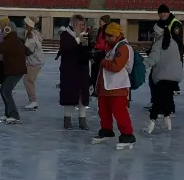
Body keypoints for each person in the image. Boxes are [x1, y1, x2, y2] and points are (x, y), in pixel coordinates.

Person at [92, 21, 137, 149]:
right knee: (104, 110)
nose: (106, 39)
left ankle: (127, 135)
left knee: (119, 112)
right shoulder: (113, 46)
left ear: (116, 35)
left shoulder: (123, 47)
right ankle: (106, 130)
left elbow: (116, 66)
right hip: (106, 86)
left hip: (118, 86)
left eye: (109, 36)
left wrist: (103, 62)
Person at [143, 20, 184, 133]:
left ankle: (150, 126)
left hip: (163, 77)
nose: (153, 35)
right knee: (167, 100)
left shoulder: (159, 43)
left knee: (157, 102)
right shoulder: (173, 42)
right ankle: (168, 125)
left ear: (158, 33)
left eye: (154, 33)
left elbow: (153, 59)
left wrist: (141, 67)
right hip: (174, 77)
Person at [0, 21, 27, 123]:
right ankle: (8, 113)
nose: (3, 31)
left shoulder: (11, 40)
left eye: (5, 29)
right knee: (4, 90)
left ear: (9, 30)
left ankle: (14, 115)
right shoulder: (12, 39)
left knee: (6, 91)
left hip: (16, 71)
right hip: (14, 70)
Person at [58, 14, 91, 130]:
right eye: (80, 25)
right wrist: (78, 43)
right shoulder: (65, 35)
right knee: (69, 96)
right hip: (69, 70)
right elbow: (66, 51)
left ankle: (82, 120)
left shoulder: (85, 36)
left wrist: (87, 47)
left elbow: (86, 51)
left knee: (83, 96)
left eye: (84, 25)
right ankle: (67, 120)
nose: (83, 27)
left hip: (82, 70)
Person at [23, 17, 45, 110]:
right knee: (28, 80)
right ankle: (32, 100)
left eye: (25, 24)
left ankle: (33, 101)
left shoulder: (31, 36)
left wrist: (20, 46)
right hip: (37, 61)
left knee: (28, 80)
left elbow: (28, 51)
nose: (23, 25)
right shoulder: (33, 34)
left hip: (35, 62)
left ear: (28, 25)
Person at [89, 14, 111, 95]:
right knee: (94, 72)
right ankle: (95, 88)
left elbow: (104, 44)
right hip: (98, 53)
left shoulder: (106, 31)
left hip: (102, 54)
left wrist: (95, 45)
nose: (99, 23)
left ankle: (98, 89)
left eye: (101, 21)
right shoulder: (100, 30)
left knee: (98, 72)